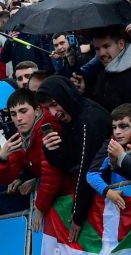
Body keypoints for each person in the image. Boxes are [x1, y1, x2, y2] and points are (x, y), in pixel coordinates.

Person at [37, 76, 113, 241]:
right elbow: (67, 163)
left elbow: (87, 169)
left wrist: (78, 216)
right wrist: (50, 149)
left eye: (54, 105)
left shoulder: (90, 119)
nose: (53, 113)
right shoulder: (70, 118)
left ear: (65, 96)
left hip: (110, 189)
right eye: (47, 108)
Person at [87, 26, 131, 113]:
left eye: (106, 46)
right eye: (97, 49)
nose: (101, 53)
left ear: (121, 44)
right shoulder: (104, 73)